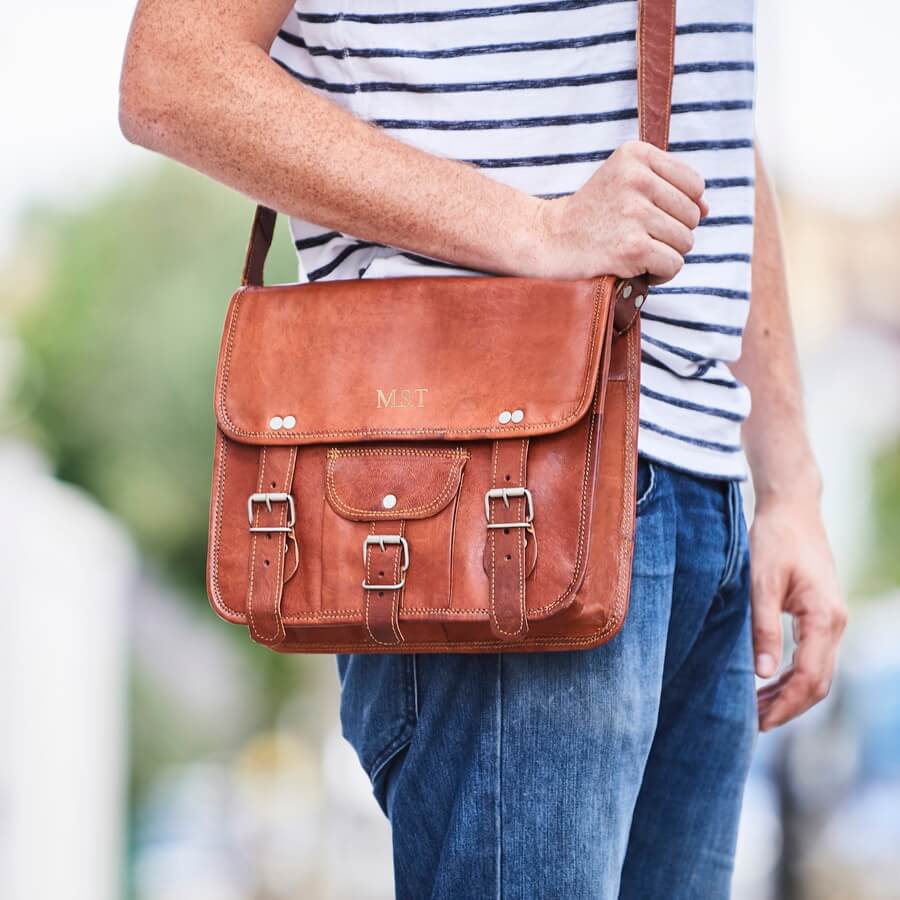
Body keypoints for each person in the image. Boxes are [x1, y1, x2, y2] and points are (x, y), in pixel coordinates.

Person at [119, 1, 847, 896]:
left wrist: (787, 484)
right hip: (498, 482)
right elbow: (172, 73)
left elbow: (710, 130)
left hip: (706, 489)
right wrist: (537, 229)